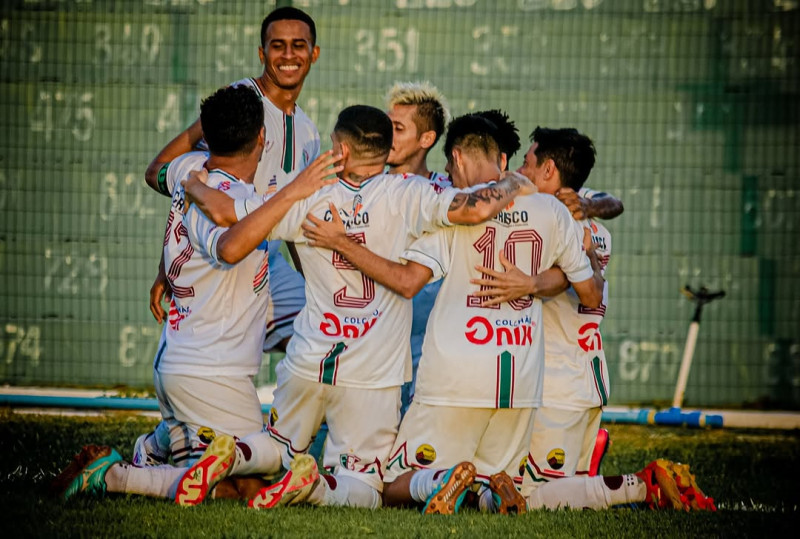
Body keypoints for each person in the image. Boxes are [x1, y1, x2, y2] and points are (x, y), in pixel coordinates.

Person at [171, 105, 537, 510]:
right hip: (371, 376)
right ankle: (314, 487)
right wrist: (517, 179)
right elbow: (478, 207)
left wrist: (194, 186)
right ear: (385, 150)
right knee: (365, 487)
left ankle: (237, 454)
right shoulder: (410, 194)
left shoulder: (309, 195)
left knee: (278, 445)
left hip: (310, 359)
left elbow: (226, 217)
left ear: (340, 149)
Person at [303, 112, 605, 515]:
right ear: (501, 159)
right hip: (518, 381)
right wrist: (547, 276)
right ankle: (490, 491)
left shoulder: (452, 214)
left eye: (448, 165)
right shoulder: (554, 213)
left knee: (391, 485)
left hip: (455, 378)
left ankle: (442, 480)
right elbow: (588, 294)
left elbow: (407, 281)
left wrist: (343, 243)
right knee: (497, 484)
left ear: (458, 158)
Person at [51, 85, 342, 501]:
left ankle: (155, 449)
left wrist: (164, 266)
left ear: (208, 133)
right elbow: (230, 245)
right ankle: (115, 476)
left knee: (231, 469)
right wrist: (295, 191)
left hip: (185, 359)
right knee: (250, 480)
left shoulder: (190, 168)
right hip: (212, 373)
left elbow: (155, 170)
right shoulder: (233, 198)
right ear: (262, 137)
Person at [476, 127, 714, 512]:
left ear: (549, 169)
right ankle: (618, 480)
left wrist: (529, 283)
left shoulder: (549, 224)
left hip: (556, 385)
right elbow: (610, 202)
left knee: (532, 499)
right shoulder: (594, 227)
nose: (520, 169)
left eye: (528, 161)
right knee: (568, 491)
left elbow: (562, 279)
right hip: (588, 379)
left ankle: (642, 485)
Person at [135, 6, 322, 467]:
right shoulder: (240, 100)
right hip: (224, 257)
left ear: (314, 54)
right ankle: (242, 444)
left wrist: (320, 284)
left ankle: (292, 440)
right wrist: (168, 264)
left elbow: (294, 226)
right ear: (262, 52)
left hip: (264, 264)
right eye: (277, 45)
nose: (288, 54)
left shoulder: (311, 133)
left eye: (298, 45)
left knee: (326, 333)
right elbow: (163, 171)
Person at [383, 81, 451, 415]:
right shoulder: (365, 187)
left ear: (427, 139)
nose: (386, 135)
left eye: (396, 128)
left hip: (432, 345)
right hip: (373, 337)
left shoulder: (450, 192)